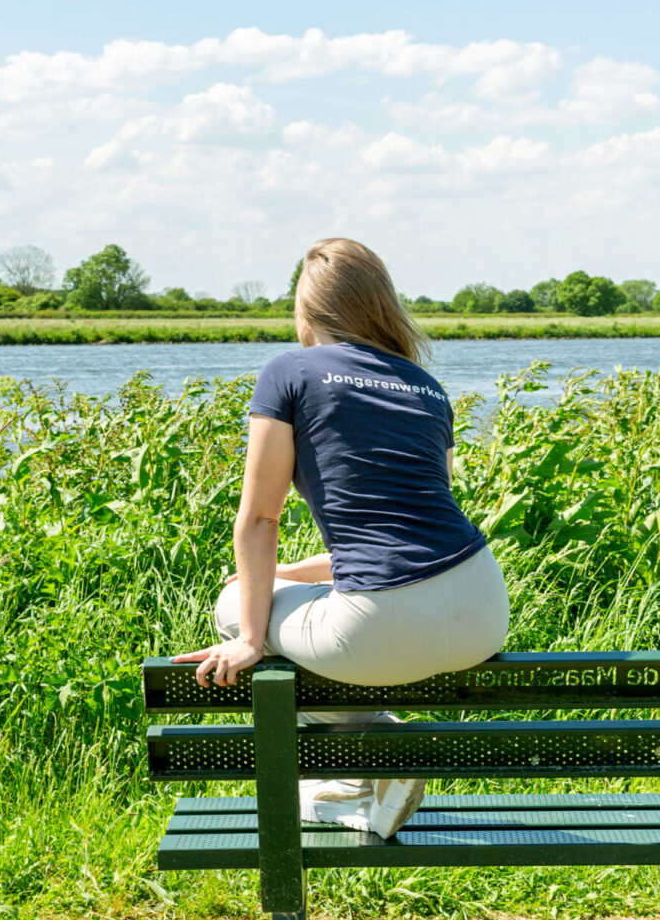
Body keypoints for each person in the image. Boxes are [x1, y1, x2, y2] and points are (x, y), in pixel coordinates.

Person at [173, 238, 509, 839]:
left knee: (232, 603)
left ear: (306, 314)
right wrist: (293, 577)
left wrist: (251, 635)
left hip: (381, 623)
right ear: (380, 305)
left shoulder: (289, 372)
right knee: (262, 587)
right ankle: (361, 785)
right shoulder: (427, 388)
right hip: (484, 607)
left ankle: (378, 746)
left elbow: (258, 518)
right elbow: (405, 526)